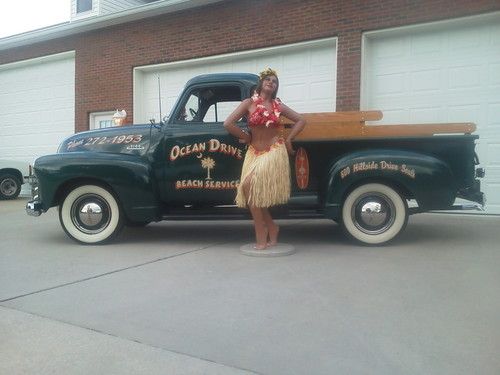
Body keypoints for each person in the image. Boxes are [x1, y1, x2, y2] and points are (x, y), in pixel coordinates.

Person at [224, 68, 306, 250]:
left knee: (248, 185)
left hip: (273, 150)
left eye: (274, 81)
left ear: (276, 87)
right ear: (261, 83)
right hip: (254, 151)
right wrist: (245, 137)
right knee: (249, 188)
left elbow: (300, 120)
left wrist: (289, 138)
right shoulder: (248, 103)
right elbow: (228, 123)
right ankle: (271, 227)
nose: (271, 82)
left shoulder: (279, 106)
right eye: (268, 79)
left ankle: (261, 231)